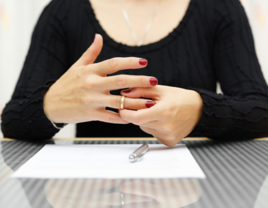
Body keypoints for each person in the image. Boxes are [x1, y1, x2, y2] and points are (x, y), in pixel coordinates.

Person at [1, 0, 268, 146]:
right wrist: (51, 105)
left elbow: (261, 111)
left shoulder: (220, 8)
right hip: (91, 190)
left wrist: (200, 110)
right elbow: (12, 119)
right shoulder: (62, 12)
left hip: (191, 188)